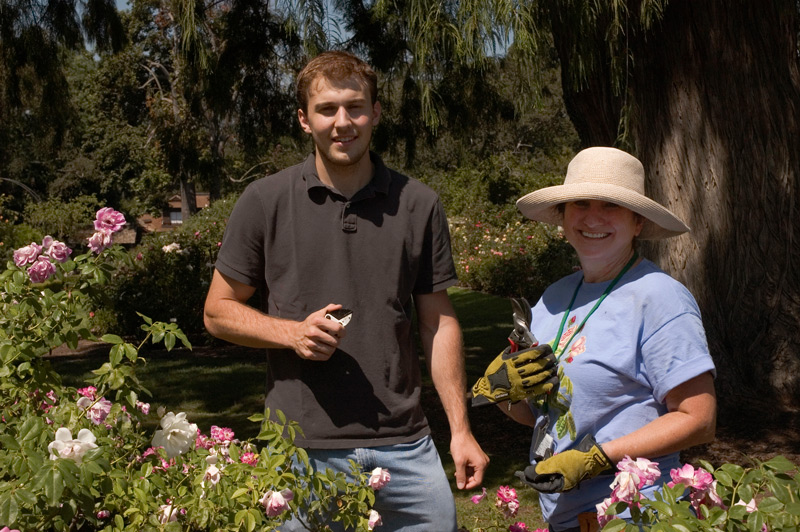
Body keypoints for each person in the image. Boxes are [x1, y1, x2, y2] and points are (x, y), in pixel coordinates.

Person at [203, 50, 488, 531]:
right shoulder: (265, 201)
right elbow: (217, 311)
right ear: (304, 119)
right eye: (326, 109)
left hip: (406, 446)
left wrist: (461, 430)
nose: (342, 122)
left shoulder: (418, 204)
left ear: (375, 113)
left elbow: (438, 322)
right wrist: (292, 334)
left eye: (355, 107)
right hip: (300, 449)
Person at [490, 146, 717, 532]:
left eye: (611, 205)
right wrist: (499, 389)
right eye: (580, 203)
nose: (593, 217)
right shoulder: (554, 298)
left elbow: (698, 418)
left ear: (637, 222)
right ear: (563, 216)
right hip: (566, 519)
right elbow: (541, 415)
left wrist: (595, 458)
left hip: (636, 516)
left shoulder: (659, 298)